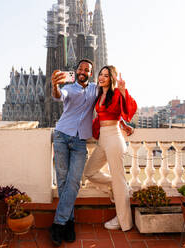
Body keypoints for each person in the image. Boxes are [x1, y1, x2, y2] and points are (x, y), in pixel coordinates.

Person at [50, 59, 98, 246]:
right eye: (80, 68)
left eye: (87, 70)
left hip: (80, 140)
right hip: (62, 135)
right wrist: (55, 85)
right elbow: (58, 95)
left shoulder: (95, 89)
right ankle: (69, 222)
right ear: (76, 71)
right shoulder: (70, 88)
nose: (83, 71)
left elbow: (109, 95)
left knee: (74, 181)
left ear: (90, 73)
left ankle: (58, 223)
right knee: (62, 180)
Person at [83, 65, 137, 231]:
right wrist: (122, 123)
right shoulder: (100, 94)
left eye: (106, 75)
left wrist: (123, 90)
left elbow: (127, 109)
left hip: (114, 138)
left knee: (119, 180)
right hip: (103, 140)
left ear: (111, 78)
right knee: (89, 172)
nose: (102, 77)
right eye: (101, 74)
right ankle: (119, 186)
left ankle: (124, 222)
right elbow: (111, 115)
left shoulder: (116, 94)